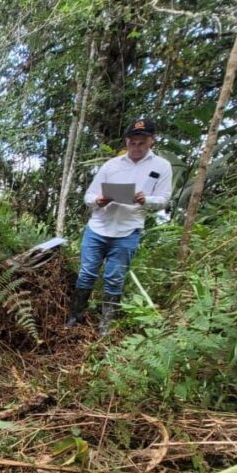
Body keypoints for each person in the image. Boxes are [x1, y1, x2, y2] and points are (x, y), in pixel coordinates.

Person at [66, 118, 173, 334]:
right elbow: (89, 195)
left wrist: (146, 200)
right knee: (86, 273)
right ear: (126, 141)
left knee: (114, 278)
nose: (136, 147)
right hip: (98, 227)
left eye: (141, 143)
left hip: (127, 230)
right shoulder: (111, 165)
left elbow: (163, 199)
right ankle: (74, 318)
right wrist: (99, 200)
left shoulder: (161, 167)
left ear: (151, 141)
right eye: (132, 142)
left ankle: (105, 325)